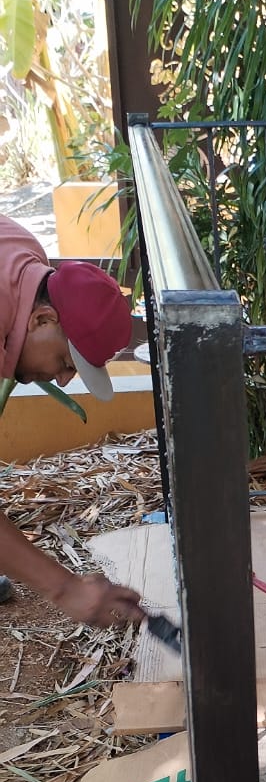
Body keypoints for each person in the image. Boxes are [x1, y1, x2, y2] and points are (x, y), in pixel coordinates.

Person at [1, 213, 145, 628]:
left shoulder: (25, 256)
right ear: (42, 319)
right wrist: (65, 588)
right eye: (66, 361)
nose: (64, 379)